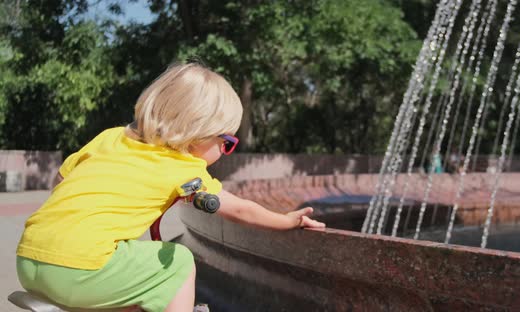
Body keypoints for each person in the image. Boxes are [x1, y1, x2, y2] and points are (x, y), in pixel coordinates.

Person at [15, 63, 326, 312]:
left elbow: (62, 182)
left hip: (29, 261)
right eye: (227, 142)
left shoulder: (111, 137)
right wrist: (287, 220)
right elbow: (239, 209)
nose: (225, 150)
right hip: (78, 270)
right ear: (197, 133)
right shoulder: (184, 168)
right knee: (176, 262)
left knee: (136, 276)